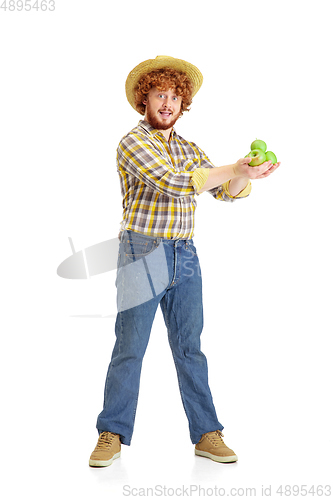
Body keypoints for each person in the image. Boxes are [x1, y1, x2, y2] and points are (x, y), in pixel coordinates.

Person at [89, 56, 280, 468]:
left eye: (175, 96)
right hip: (142, 251)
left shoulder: (190, 149)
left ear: (183, 102)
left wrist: (247, 173)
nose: (168, 102)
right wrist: (233, 167)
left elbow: (226, 191)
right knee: (130, 348)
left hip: (185, 255)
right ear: (145, 99)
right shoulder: (132, 142)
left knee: (190, 349)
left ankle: (206, 433)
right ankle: (112, 433)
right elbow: (174, 184)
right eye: (160, 94)